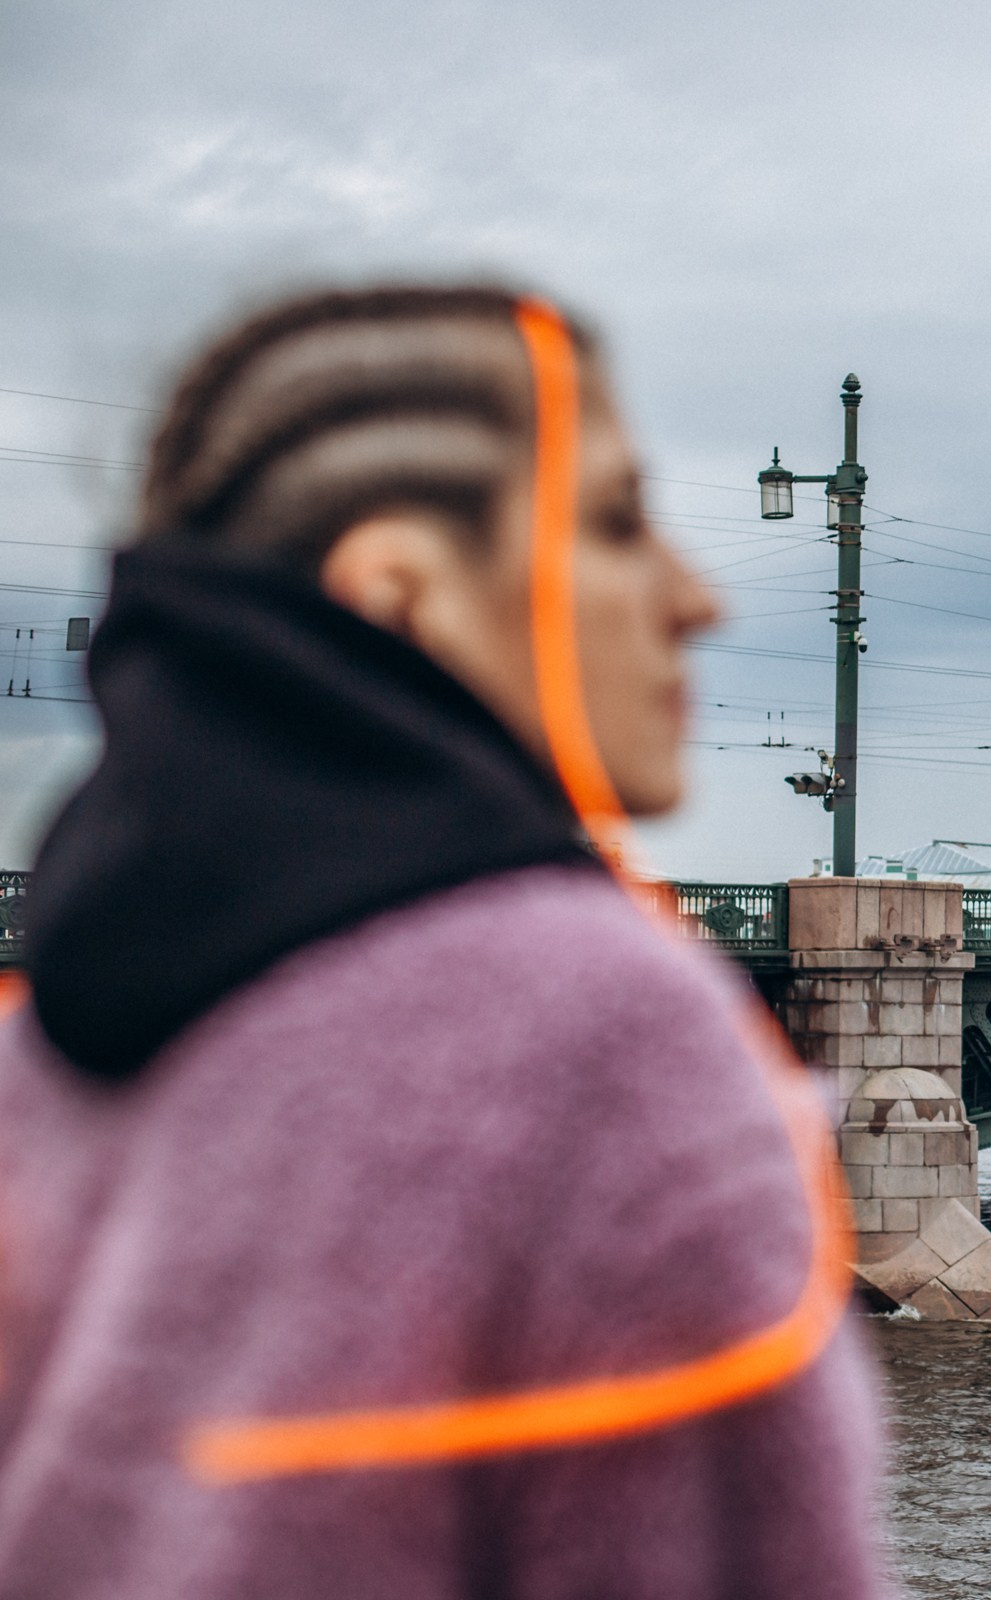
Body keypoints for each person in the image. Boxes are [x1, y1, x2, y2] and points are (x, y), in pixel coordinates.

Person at [0, 286, 885, 1595]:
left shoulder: (44, 1044)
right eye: (616, 522)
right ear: (407, 594)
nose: (696, 600)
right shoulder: (600, 1035)